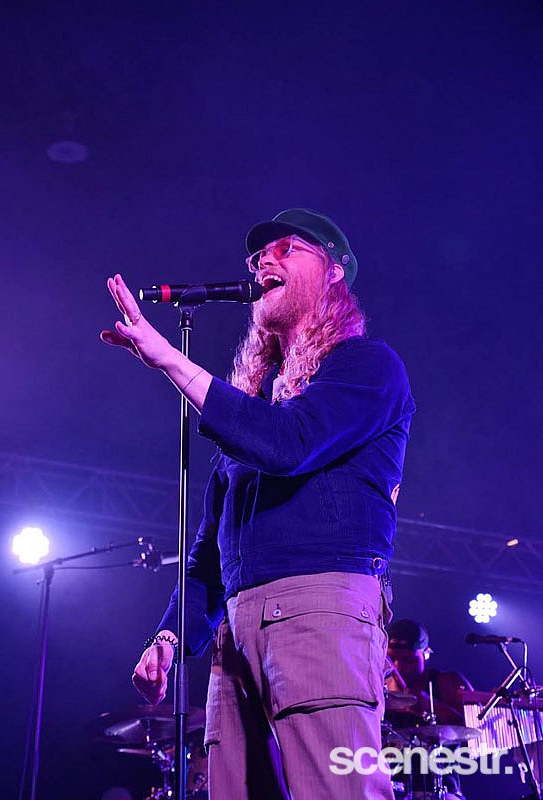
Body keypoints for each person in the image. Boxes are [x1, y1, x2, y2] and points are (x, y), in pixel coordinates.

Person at [101, 208, 416, 799]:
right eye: (256, 257)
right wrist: (170, 637)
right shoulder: (254, 410)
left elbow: (289, 444)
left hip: (321, 610)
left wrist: (170, 360)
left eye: (287, 249)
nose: (263, 261)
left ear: (334, 271)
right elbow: (209, 552)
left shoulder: (367, 366)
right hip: (236, 632)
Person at [385, 618, 473, 726]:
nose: (398, 666)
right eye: (392, 659)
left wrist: (434, 706)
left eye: (408, 660)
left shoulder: (448, 683)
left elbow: (477, 726)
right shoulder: (378, 687)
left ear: (426, 654)